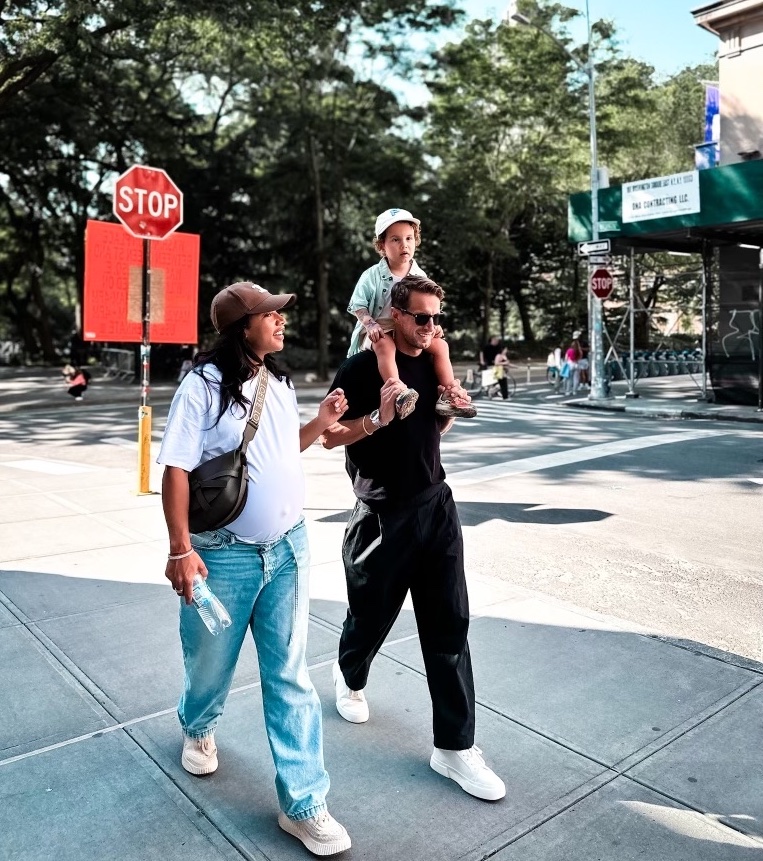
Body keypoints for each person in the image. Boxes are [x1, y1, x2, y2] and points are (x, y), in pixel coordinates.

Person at [157, 281, 352, 857]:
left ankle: (304, 804)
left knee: (290, 674)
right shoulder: (203, 385)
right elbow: (175, 469)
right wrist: (179, 549)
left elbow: (279, 449)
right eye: (271, 314)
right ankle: (198, 725)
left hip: (288, 551)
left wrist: (320, 422)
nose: (281, 321)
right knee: (210, 663)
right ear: (243, 325)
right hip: (220, 554)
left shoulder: (279, 382)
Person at [321, 274, 505, 803]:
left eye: (434, 319)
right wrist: (376, 418)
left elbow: (433, 427)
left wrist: (449, 408)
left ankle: (454, 747)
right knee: (371, 614)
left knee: (450, 625)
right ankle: (350, 673)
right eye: (419, 317)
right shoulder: (361, 367)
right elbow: (331, 436)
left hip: (435, 506)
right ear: (394, 315)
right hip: (381, 515)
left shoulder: (433, 361)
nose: (429, 328)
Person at [347, 207, 475, 419]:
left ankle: (450, 393)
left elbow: (430, 303)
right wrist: (369, 324)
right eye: (395, 240)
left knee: (441, 345)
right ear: (382, 246)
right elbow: (358, 305)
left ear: (416, 241)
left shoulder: (419, 275)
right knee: (385, 345)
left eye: (408, 238)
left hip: (409, 329)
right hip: (379, 329)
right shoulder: (371, 276)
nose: (404, 244)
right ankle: (398, 391)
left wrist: (432, 322)